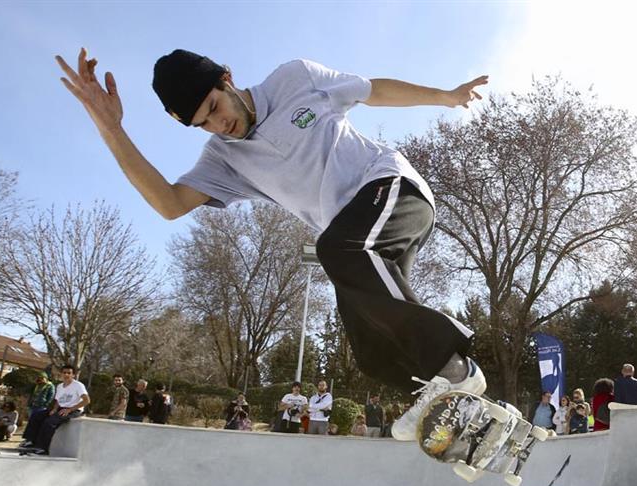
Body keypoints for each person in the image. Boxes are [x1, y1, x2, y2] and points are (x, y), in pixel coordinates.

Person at [55, 48, 491, 444]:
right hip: (356, 238)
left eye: (215, 107)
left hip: (391, 187)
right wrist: (111, 128)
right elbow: (169, 203)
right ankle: (453, 406)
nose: (218, 125)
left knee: (338, 250)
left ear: (227, 78)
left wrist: (446, 96)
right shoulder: (223, 158)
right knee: (370, 349)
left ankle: (456, 370)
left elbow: (373, 90)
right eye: (202, 124)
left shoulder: (295, 78)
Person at [19, 365, 90, 455]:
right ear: (61, 374)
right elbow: (57, 400)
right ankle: (30, 441)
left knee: (49, 422)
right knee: (36, 415)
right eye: (64, 373)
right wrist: (54, 409)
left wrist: (70, 409)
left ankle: (42, 448)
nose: (66, 375)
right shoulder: (60, 386)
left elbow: (86, 400)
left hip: (74, 410)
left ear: (73, 375)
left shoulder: (78, 385)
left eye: (69, 373)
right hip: (60, 408)